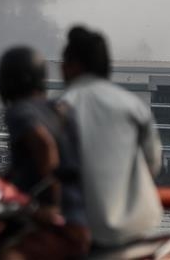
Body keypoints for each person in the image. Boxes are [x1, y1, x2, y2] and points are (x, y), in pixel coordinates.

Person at [60, 26, 163, 248]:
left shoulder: (62, 108)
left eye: (64, 63)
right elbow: (153, 164)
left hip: (80, 234)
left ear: (74, 66)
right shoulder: (133, 105)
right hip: (137, 231)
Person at [0, 46, 90, 260]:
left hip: (55, 225)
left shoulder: (19, 111)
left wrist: (50, 204)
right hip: (83, 219)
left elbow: (44, 145)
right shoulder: (60, 110)